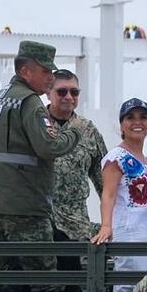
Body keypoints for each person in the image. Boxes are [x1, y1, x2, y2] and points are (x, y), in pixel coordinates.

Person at [0, 41, 84, 290]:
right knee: (43, 282)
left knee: (4, 282)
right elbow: (50, 147)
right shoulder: (30, 102)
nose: (50, 78)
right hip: (23, 209)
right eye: (46, 72)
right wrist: (74, 132)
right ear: (26, 71)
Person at [91, 98, 147, 292]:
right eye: (130, 117)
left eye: (143, 117)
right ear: (122, 125)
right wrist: (106, 226)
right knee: (129, 287)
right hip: (130, 232)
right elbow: (108, 194)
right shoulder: (116, 158)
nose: (137, 122)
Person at [48, 69, 106, 244]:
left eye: (74, 92)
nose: (68, 97)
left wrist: (110, 223)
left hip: (76, 225)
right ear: (49, 93)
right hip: (42, 224)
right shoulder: (35, 124)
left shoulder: (88, 130)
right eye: (61, 92)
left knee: (75, 271)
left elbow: (104, 182)